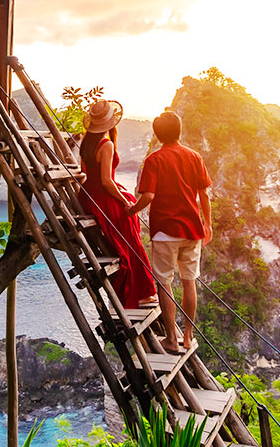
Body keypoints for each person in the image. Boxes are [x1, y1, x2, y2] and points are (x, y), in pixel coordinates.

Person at [127, 110, 211, 354]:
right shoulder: (194, 156)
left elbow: (148, 196)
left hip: (165, 230)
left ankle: (172, 339)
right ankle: (188, 335)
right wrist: (208, 224)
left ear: (157, 134)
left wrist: (131, 210)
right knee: (189, 282)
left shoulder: (154, 160)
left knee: (164, 284)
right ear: (179, 130)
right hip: (192, 230)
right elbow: (204, 194)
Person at [75, 99, 158, 310]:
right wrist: (123, 200)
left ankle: (140, 291)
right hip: (102, 197)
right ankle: (142, 294)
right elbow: (106, 181)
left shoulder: (86, 141)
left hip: (88, 195)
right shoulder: (107, 145)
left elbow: (85, 172)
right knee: (131, 236)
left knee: (129, 229)